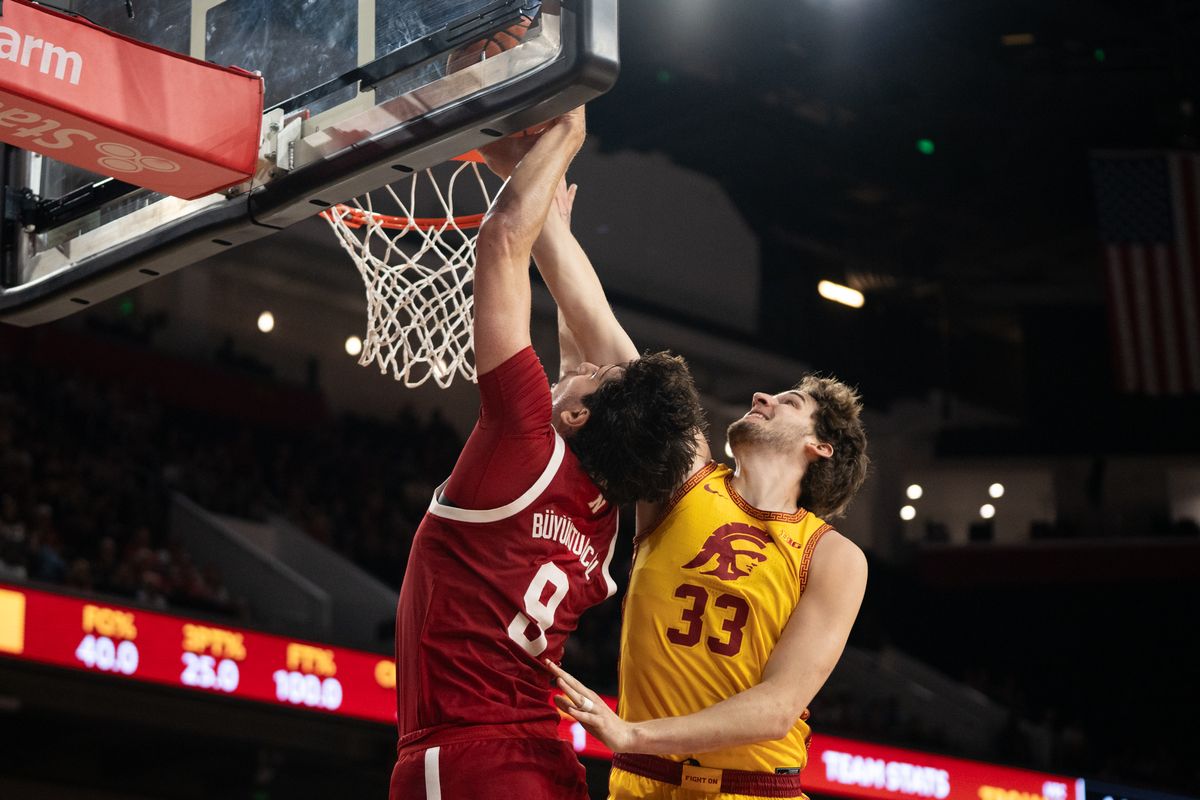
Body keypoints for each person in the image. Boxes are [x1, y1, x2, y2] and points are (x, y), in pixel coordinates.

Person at [388, 107, 705, 800]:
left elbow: (501, 240)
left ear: (576, 410)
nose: (583, 361)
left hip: (471, 754)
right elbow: (585, 344)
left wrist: (569, 126)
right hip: (541, 760)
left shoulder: (524, 441)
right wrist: (547, 198)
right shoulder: (608, 510)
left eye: (589, 374)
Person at [535, 204, 871, 797]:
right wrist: (543, 217)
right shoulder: (685, 478)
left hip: (756, 788)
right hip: (641, 784)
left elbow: (776, 707)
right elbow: (603, 336)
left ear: (821, 446)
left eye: (790, 401)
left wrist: (633, 735)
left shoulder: (833, 557)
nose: (764, 395)